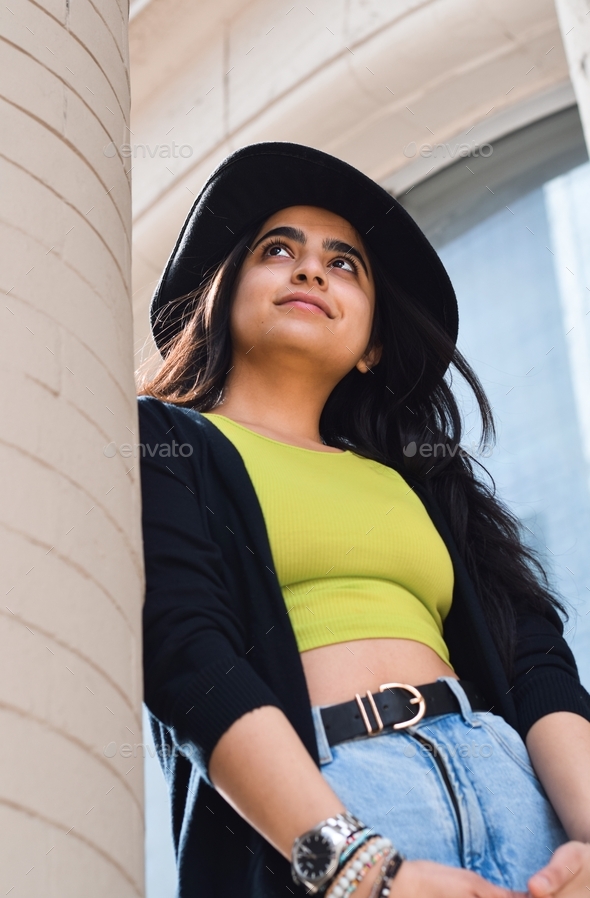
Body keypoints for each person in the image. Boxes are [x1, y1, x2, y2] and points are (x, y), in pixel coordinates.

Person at [137, 142, 590, 898]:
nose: (311, 269)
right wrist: (355, 870)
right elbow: (185, 658)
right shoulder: (165, 443)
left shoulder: (426, 479)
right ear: (224, 293)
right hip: (325, 811)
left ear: (373, 345)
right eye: (277, 250)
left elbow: (535, 658)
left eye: (345, 263)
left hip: (516, 792)